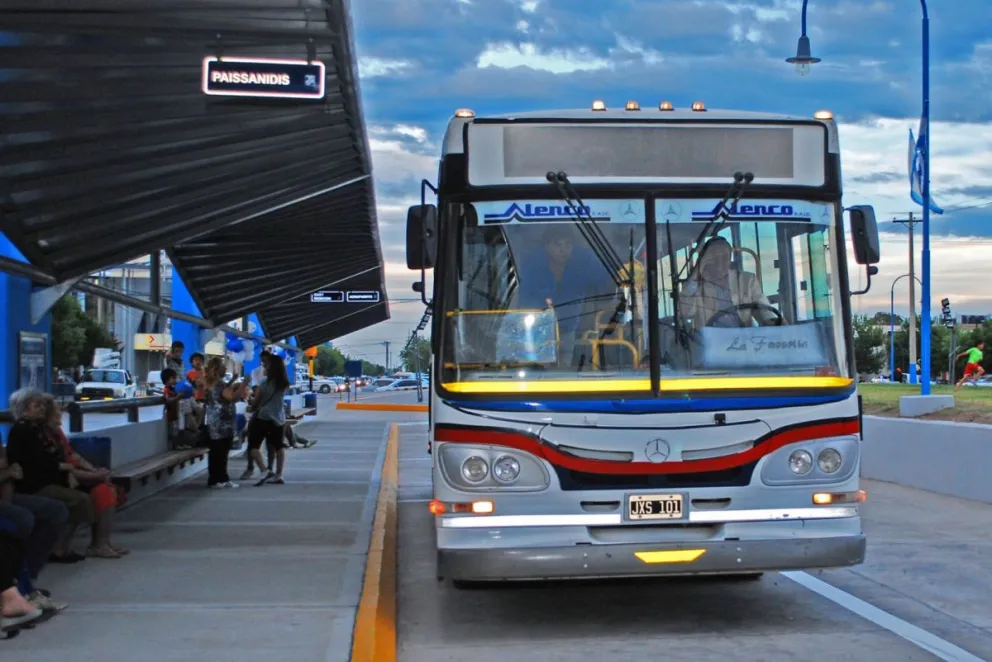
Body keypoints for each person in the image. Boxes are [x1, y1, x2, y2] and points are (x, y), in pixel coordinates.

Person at [5, 389, 94, 563]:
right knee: (79, 500)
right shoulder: (24, 430)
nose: (42, 409)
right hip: (33, 486)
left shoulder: (35, 428)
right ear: (23, 409)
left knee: (81, 496)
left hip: (43, 481)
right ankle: (58, 548)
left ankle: (62, 547)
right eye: (36, 405)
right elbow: (38, 463)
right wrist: (68, 469)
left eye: (43, 405)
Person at [41, 395, 128, 557]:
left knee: (107, 489)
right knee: (100, 491)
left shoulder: (57, 433)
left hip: (73, 476)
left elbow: (73, 456)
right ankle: (97, 544)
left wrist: (93, 471)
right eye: (56, 417)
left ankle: (102, 542)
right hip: (61, 480)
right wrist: (95, 476)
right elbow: (63, 468)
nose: (60, 422)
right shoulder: (43, 436)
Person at [680, 236, 778, 329]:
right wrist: (697, 270)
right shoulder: (697, 286)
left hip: (744, 340)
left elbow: (763, 308)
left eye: (724, 257)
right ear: (706, 260)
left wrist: (771, 321)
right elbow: (685, 312)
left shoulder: (747, 280)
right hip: (711, 343)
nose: (719, 262)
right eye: (714, 257)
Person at [203, 357, 248, 489]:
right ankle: (222, 478)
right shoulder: (220, 384)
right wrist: (244, 384)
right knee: (222, 451)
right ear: (217, 369)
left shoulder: (210, 383)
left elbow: (220, 394)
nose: (225, 368)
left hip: (213, 421)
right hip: (224, 422)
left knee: (215, 451)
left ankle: (214, 479)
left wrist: (232, 380)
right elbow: (232, 398)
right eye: (223, 366)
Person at [247, 354, 290, 485]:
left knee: (253, 446)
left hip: (263, 418)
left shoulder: (264, 383)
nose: (264, 366)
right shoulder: (284, 383)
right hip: (278, 418)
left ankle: (264, 470)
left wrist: (251, 405)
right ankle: (279, 474)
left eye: (266, 365)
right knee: (279, 446)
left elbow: (256, 403)